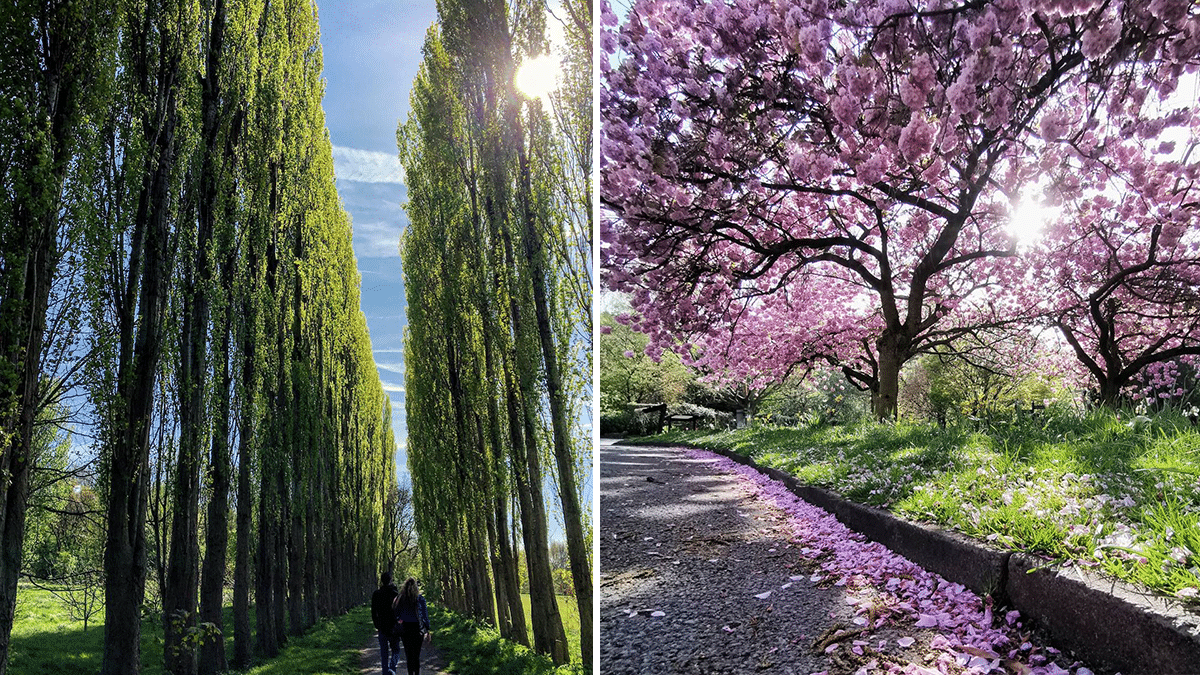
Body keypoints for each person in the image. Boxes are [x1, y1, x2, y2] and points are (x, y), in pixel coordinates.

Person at [393, 577, 431, 675]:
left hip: (405, 629)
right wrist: (427, 630)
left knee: (409, 655)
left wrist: (400, 619)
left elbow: (396, 612)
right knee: (416, 655)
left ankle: (410, 674)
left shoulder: (401, 598)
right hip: (417, 629)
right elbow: (424, 616)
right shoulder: (420, 599)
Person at [371, 571, 402, 675]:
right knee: (396, 651)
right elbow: (399, 611)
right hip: (394, 627)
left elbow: (373, 612)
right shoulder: (395, 594)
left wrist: (377, 625)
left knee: (384, 653)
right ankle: (392, 669)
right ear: (390, 580)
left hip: (382, 627)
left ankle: (385, 673)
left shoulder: (376, 594)